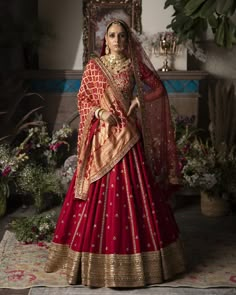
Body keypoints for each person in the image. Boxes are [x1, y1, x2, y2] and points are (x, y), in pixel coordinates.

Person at [45, 19, 186, 287]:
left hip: (128, 138)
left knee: (138, 194)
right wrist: (100, 112)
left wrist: (137, 100)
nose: (118, 41)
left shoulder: (134, 65)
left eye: (122, 36)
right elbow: (83, 99)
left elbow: (157, 88)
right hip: (101, 140)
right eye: (113, 36)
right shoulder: (93, 67)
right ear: (105, 40)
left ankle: (141, 262)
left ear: (127, 39)